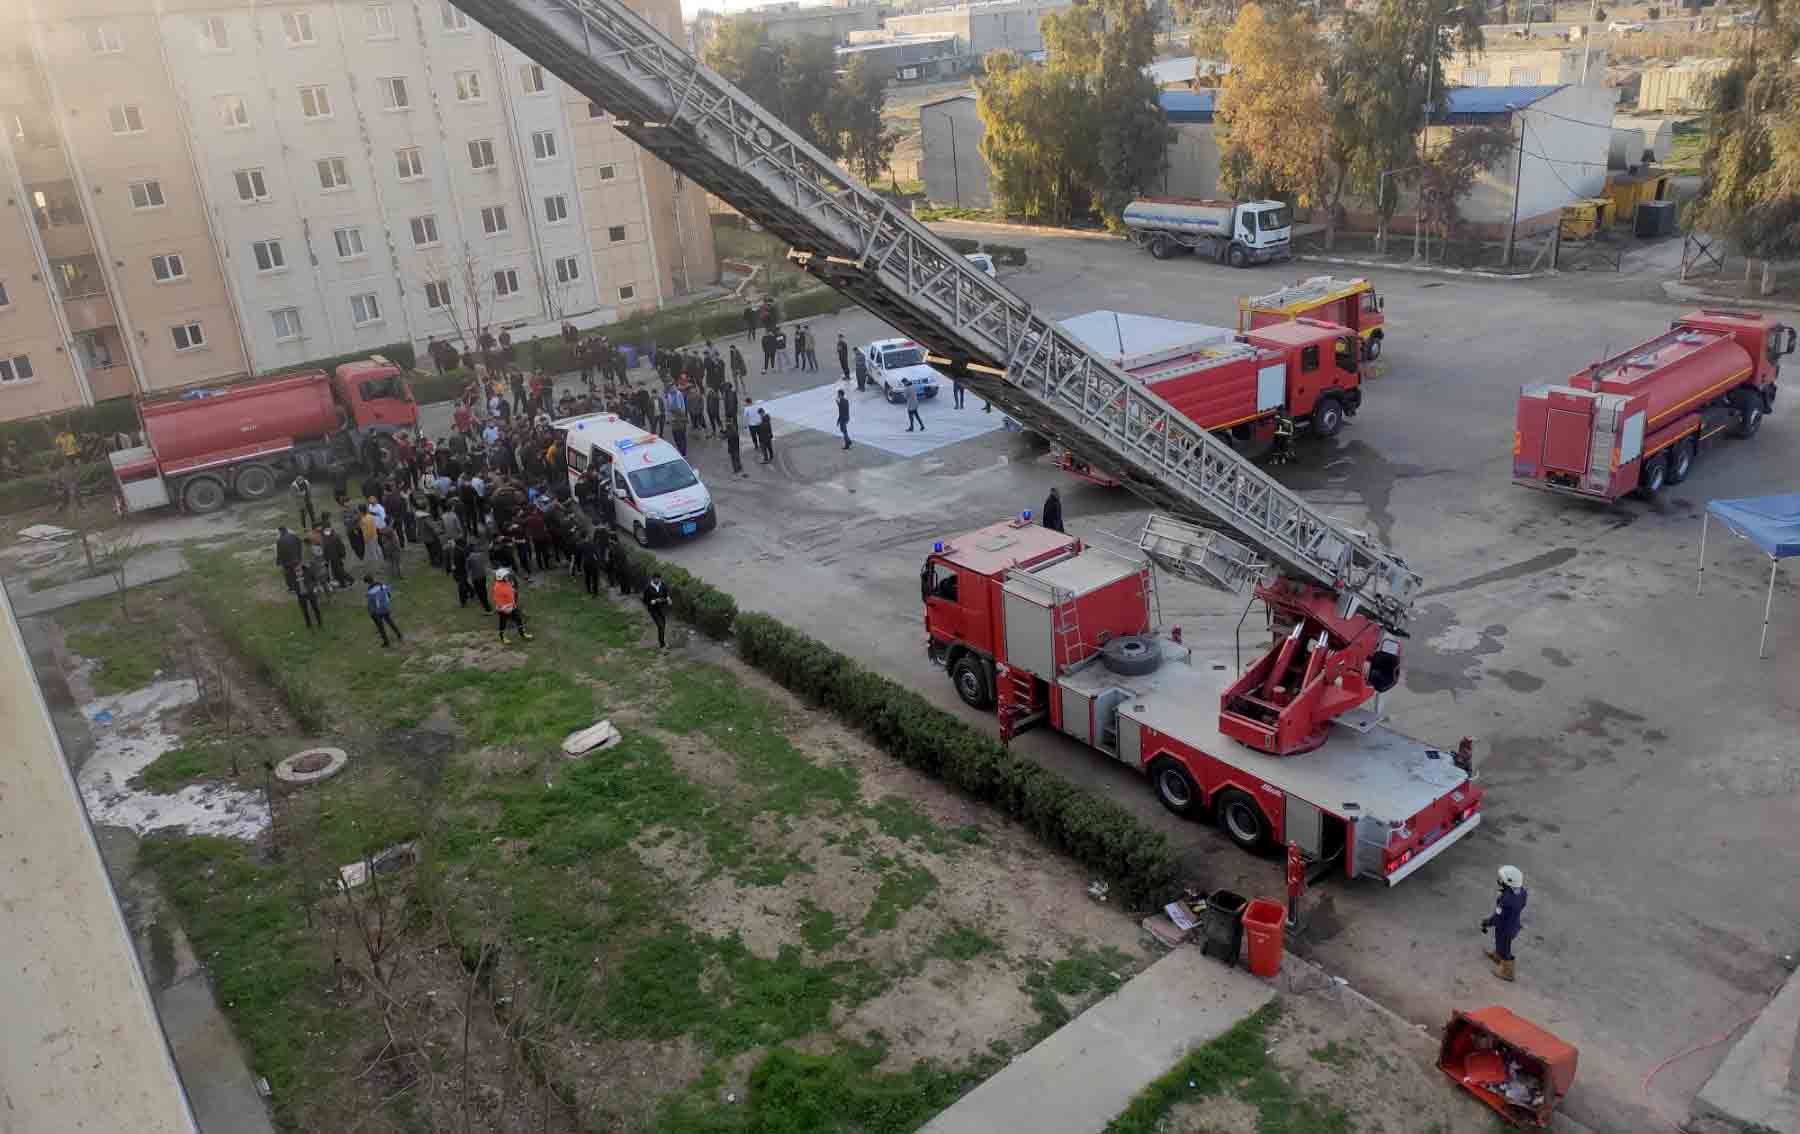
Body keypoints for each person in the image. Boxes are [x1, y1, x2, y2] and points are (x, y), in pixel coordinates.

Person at [1480, 865, 1528, 983]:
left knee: (1505, 948)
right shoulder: (1522, 892)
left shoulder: (1506, 900)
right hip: (1512, 923)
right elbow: (1522, 904)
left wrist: (1487, 922)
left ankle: (1507, 972)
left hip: (1506, 928)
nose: (1499, 880)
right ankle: (1498, 956)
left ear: (1508, 882)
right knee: (1499, 942)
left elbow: (1497, 917)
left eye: (1501, 879)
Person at [493, 567, 533, 643]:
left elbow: (509, 589)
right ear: (501, 577)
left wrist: (513, 591)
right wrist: (504, 608)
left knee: (518, 619)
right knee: (503, 623)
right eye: (506, 576)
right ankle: (502, 637)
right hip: (503, 610)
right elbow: (497, 599)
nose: (507, 577)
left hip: (512, 607)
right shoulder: (497, 587)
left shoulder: (506, 582)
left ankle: (523, 634)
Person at [364, 574, 403, 647]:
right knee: (390, 621)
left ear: (367, 582)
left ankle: (386, 642)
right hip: (385, 607)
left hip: (377, 611)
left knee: (381, 627)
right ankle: (399, 635)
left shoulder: (370, 592)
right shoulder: (382, 585)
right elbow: (389, 595)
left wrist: (371, 612)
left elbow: (371, 605)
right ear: (373, 579)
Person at [643, 571, 672, 649]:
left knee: (663, 625)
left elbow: (666, 594)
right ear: (653, 579)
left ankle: (662, 641)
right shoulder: (648, 588)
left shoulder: (663, 585)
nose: (657, 581)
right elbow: (644, 600)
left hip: (662, 608)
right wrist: (651, 601)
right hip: (653, 610)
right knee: (660, 625)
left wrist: (668, 599)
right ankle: (662, 644)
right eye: (656, 579)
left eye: (659, 579)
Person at [461, 541, 492, 611]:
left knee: (479, 592)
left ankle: (486, 607)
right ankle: (486, 602)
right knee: (483, 590)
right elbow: (485, 564)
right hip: (483, 575)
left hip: (475, 577)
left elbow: (467, 569)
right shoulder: (480, 555)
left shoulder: (468, 559)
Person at [295, 556, 324, 630]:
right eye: (296, 570)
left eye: (299, 570)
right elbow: (291, 585)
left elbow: (315, 579)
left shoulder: (308, 571)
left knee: (315, 608)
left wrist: (315, 587)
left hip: (310, 592)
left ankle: (320, 622)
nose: (298, 572)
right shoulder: (292, 575)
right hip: (301, 595)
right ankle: (308, 624)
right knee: (305, 610)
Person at [275, 525, 304, 591]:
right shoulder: (293, 536)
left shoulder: (279, 541)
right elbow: (300, 543)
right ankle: (301, 585)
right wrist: (299, 555)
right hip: (296, 559)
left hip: (287, 562)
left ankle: (292, 588)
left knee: (289, 575)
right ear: (286, 530)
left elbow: (279, 552)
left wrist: (278, 561)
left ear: (280, 532)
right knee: (298, 573)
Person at [577, 529, 603, 597]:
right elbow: (597, 554)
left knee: (587, 577)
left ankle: (588, 590)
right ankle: (595, 592)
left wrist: (579, 567)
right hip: (593, 563)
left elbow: (579, 556)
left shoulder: (580, 545)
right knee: (595, 578)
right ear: (587, 536)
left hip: (586, 563)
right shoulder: (592, 544)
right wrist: (599, 562)